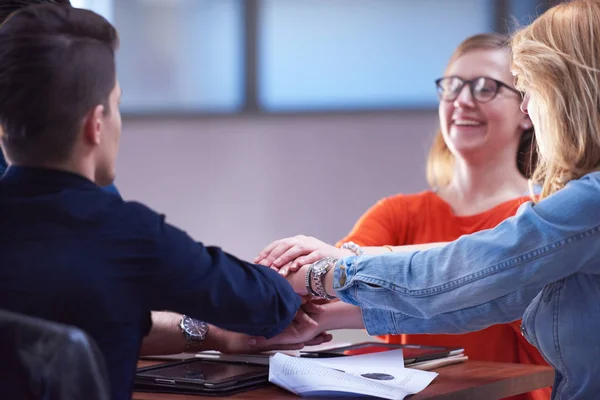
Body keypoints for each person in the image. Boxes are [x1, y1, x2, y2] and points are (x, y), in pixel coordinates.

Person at [259, 0, 600, 398]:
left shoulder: (584, 202)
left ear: (568, 91)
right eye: (452, 86)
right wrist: (323, 282)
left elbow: (465, 273)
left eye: (526, 89)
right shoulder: (401, 210)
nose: (527, 103)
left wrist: (330, 272)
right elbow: (474, 292)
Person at [0, 5, 318, 400]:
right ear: (95, 124)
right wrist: (289, 279)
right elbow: (265, 304)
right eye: (116, 104)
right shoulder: (127, 236)